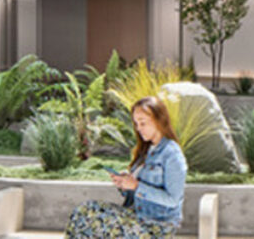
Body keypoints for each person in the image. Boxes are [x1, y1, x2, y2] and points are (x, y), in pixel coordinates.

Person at [64, 96, 187, 239]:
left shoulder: (172, 154)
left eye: (142, 123)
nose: (138, 129)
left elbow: (173, 199)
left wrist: (136, 186)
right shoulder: (145, 149)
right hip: (135, 216)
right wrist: (124, 185)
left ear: (159, 121)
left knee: (92, 218)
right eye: (136, 123)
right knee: (83, 210)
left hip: (156, 227)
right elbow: (136, 194)